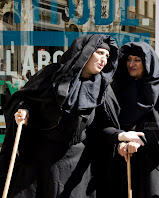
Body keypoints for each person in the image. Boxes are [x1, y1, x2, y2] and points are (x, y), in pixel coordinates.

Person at [0, 34, 144, 198]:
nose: (104, 59)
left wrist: (120, 135)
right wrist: (23, 111)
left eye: (107, 55)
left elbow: (101, 128)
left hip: (76, 165)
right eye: (99, 53)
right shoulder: (53, 74)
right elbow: (26, 98)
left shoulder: (102, 89)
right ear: (85, 52)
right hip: (40, 158)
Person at [109, 42, 159, 198]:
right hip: (123, 156)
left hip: (151, 159)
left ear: (147, 62)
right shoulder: (119, 87)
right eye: (128, 59)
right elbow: (112, 119)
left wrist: (141, 139)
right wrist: (120, 139)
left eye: (137, 60)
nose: (131, 64)